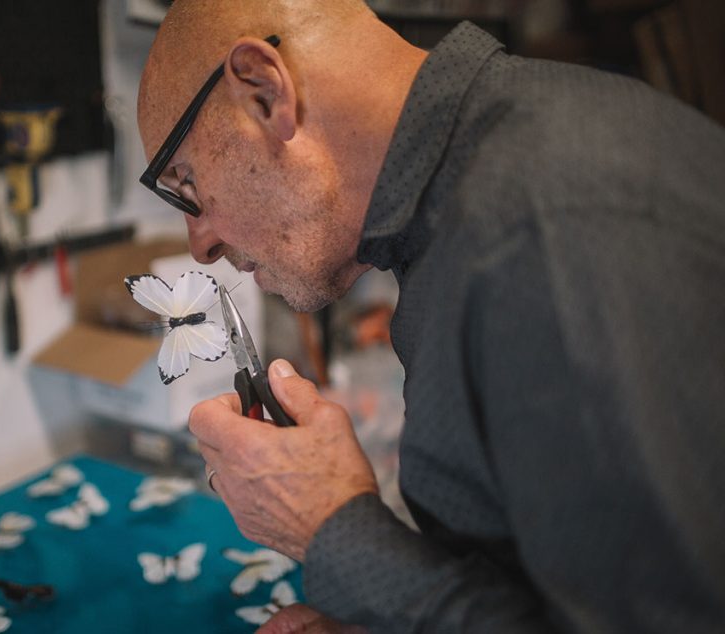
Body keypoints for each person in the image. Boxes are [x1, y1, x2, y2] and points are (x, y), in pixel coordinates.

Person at [136, 0, 725, 631]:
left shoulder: (550, 233)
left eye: (188, 186)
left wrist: (331, 528)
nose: (201, 244)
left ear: (262, 91)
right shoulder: (467, 207)